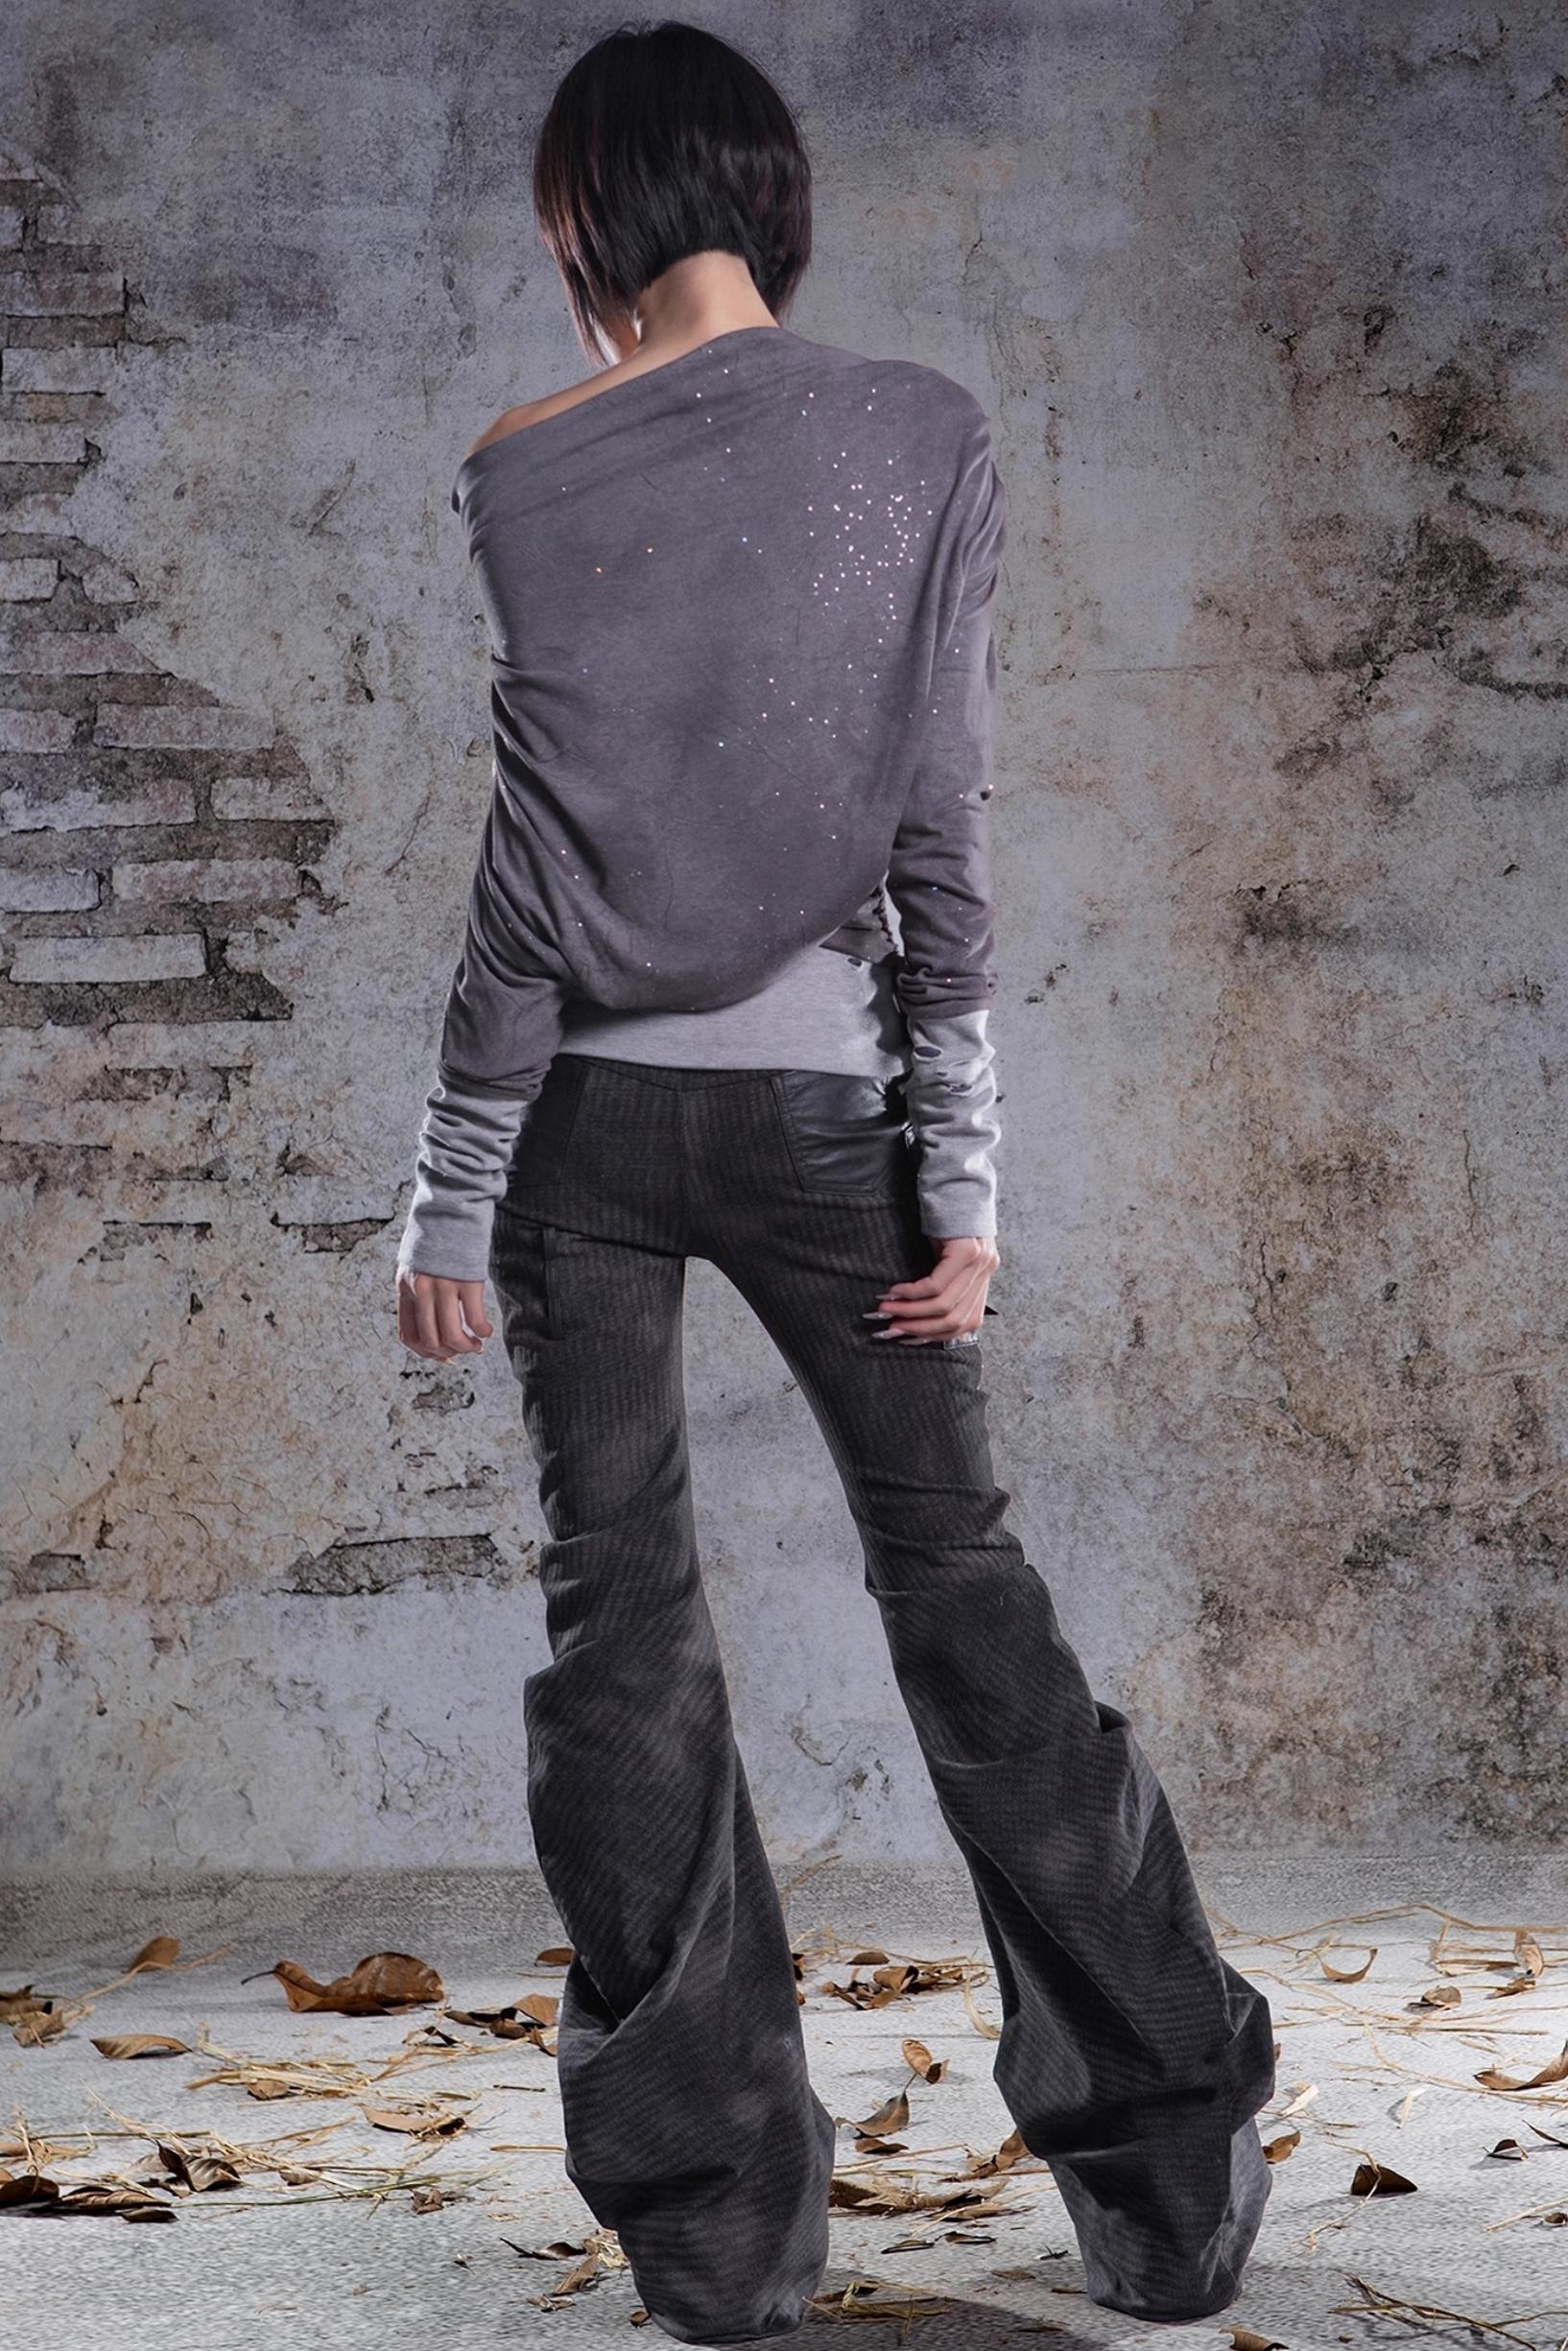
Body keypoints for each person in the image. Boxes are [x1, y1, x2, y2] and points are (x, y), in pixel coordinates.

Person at [395, 20, 1275, 2342]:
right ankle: (1166, 2179)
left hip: (580, 1134)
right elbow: (939, 833)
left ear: (582, 216)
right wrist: (963, 1176)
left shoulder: (524, 469)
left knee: (623, 1634)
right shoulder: (925, 433)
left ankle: (718, 2235)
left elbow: (527, 881)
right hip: (829, 1117)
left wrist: (447, 1192)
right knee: (961, 1589)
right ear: (768, 195)